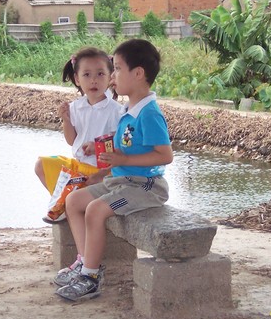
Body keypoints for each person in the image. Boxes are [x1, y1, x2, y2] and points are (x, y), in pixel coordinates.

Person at [55, 39, 173, 301]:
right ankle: (85, 261)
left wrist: (123, 160)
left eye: (117, 69)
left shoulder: (149, 113)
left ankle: (91, 276)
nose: (112, 76)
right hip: (121, 181)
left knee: (96, 210)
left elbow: (165, 156)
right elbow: (125, 141)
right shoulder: (129, 109)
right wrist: (98, 145)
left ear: (138, 73)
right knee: (74, 200)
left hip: (145, 186)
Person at [34, 47, 123, 223]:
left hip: (103, 172)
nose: (93, 81)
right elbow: (71, 141)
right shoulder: (76, 107)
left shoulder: (117, 111)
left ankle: (67, 205)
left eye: (100, 74)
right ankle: (64, 205)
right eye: (87, 75)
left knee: (93, 187)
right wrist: (66, 120)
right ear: (77, 78)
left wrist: (96, 147)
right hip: (78, 166)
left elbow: (121, 144)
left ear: (110, 76)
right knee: (41, 165)